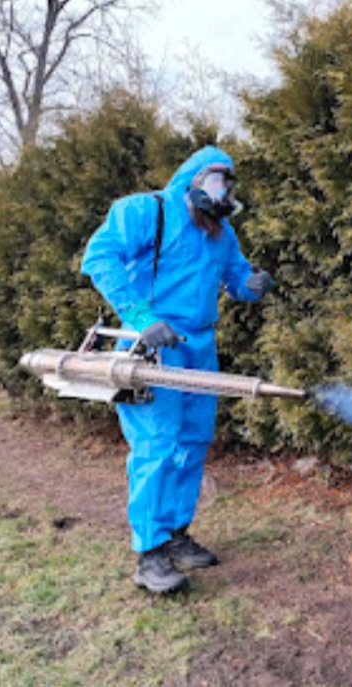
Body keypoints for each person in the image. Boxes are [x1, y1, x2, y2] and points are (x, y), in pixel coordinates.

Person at [81, 146, 273, 593]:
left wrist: (252, 285)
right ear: (192, 177)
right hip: (153, 346)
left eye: (227, 181)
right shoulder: (146, 211)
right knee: (156, 445)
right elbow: (100, 257)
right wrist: (144, 319)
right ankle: (150, 554)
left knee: (192, 442)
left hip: (200, 346)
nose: (221, 189)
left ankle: (176, 534)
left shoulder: (220, 232)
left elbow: (235, 278)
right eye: (214, 178)